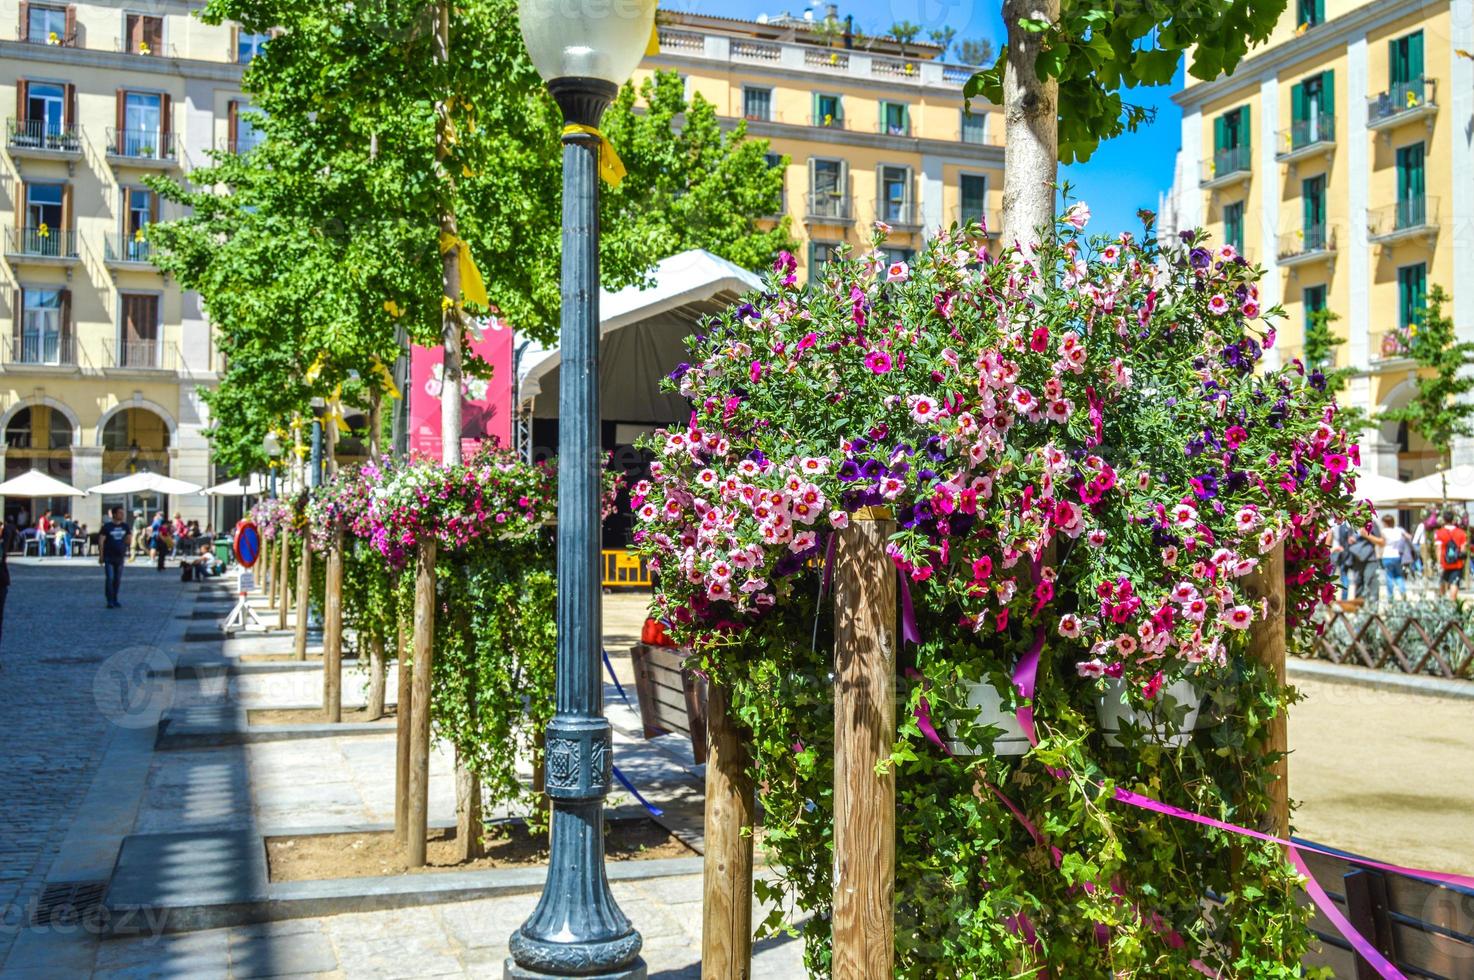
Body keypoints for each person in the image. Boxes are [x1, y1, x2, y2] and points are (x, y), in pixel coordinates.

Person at [1337, 518, 1382, 602]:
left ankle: (1372, 610)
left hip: (1370, 559)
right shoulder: (1353, 524)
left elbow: (1381, 541)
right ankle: (1360, 611)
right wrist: (1351, 540)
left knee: (1371, 584)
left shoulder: (1371, 524)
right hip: (1356, 558)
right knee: (1358, 585)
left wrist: (1367, 535)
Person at [99, 506, 130, 608]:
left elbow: (128, 540)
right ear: (114, 514)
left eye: (123, 513)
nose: (122, 515)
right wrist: (101, 555)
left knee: (117, 579)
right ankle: (110, 600)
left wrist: (126, 545)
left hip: (120, 557)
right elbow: (101, 541)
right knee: (110, 578)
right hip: (109, 556)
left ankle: (115, 598)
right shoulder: (107, 527)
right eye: (120, 513)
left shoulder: (125, 526)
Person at [1435, 510, 1467, 600]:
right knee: (1454, 583)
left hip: (1444, 562)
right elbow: (1463, 549)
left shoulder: (1440, 532)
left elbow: (1438, 548)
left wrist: (1438, 562)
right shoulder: (1461, 532)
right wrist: (1462, 562)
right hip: (1457, 563)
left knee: (1443, 581)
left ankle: (1443, 601)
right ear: (1453, 520)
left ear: (1444, 520)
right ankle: (1452, 601)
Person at [1378, 514, 1409, 602]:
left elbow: (1382, 543)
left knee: (1389, 577)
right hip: (1397, 555)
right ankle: (1403, 592)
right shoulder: (1398, 530)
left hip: (1387, 555)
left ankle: (1390, 597)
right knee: (1399, 576)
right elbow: (1408, 537)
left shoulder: (1384, 531)